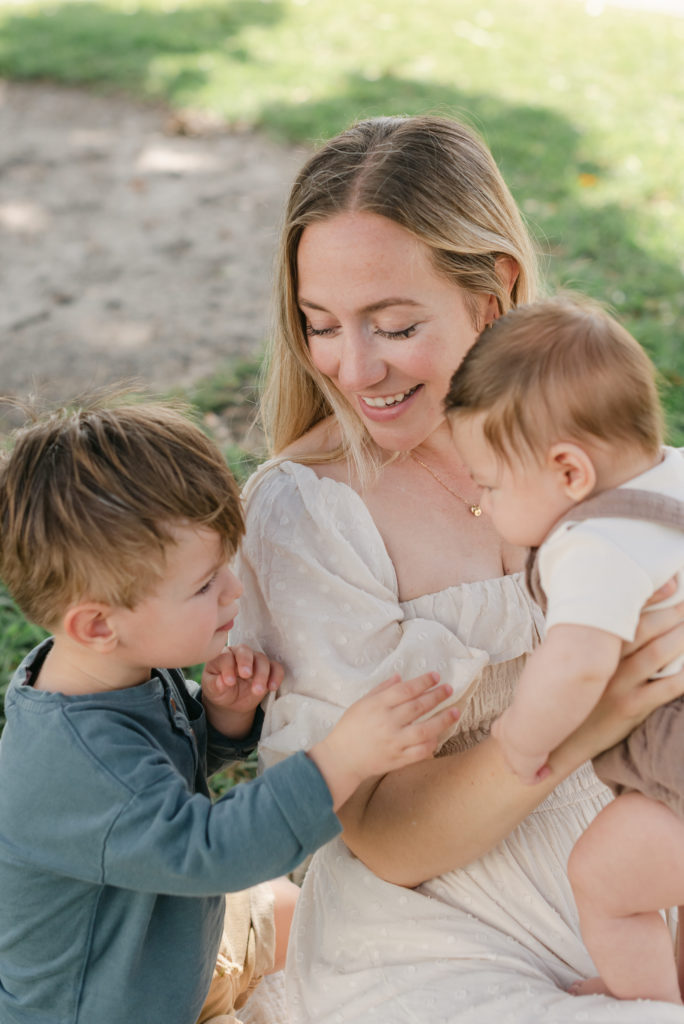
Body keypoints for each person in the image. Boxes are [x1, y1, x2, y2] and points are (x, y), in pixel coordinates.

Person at [231, 114, 684, 1022]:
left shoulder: (577, 429)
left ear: (494, 293)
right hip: (441, 921)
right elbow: (389, 842)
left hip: (648, 859)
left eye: (394, 325)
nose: (354, 369)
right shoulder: (308, 511)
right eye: (321, 326)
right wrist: (592, 709)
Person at [0, 397, 459, 1024]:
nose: (233, 590)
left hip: (172, 940)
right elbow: (212, 851)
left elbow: (152, 784)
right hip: (118, 1007)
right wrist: (342, 758)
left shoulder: (105, 673)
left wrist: (219, 719)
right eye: (204, 584)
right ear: (98, 624)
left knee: (339, 928)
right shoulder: (74, 764)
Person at [445, 292, 684, 1003]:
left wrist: (520, 741)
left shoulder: (592, 541)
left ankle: (645, 1006)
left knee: (604, 879)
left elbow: (576, 663)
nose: (484, 504)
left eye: (488, 483)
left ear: (569, 473)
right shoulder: (674, 474)